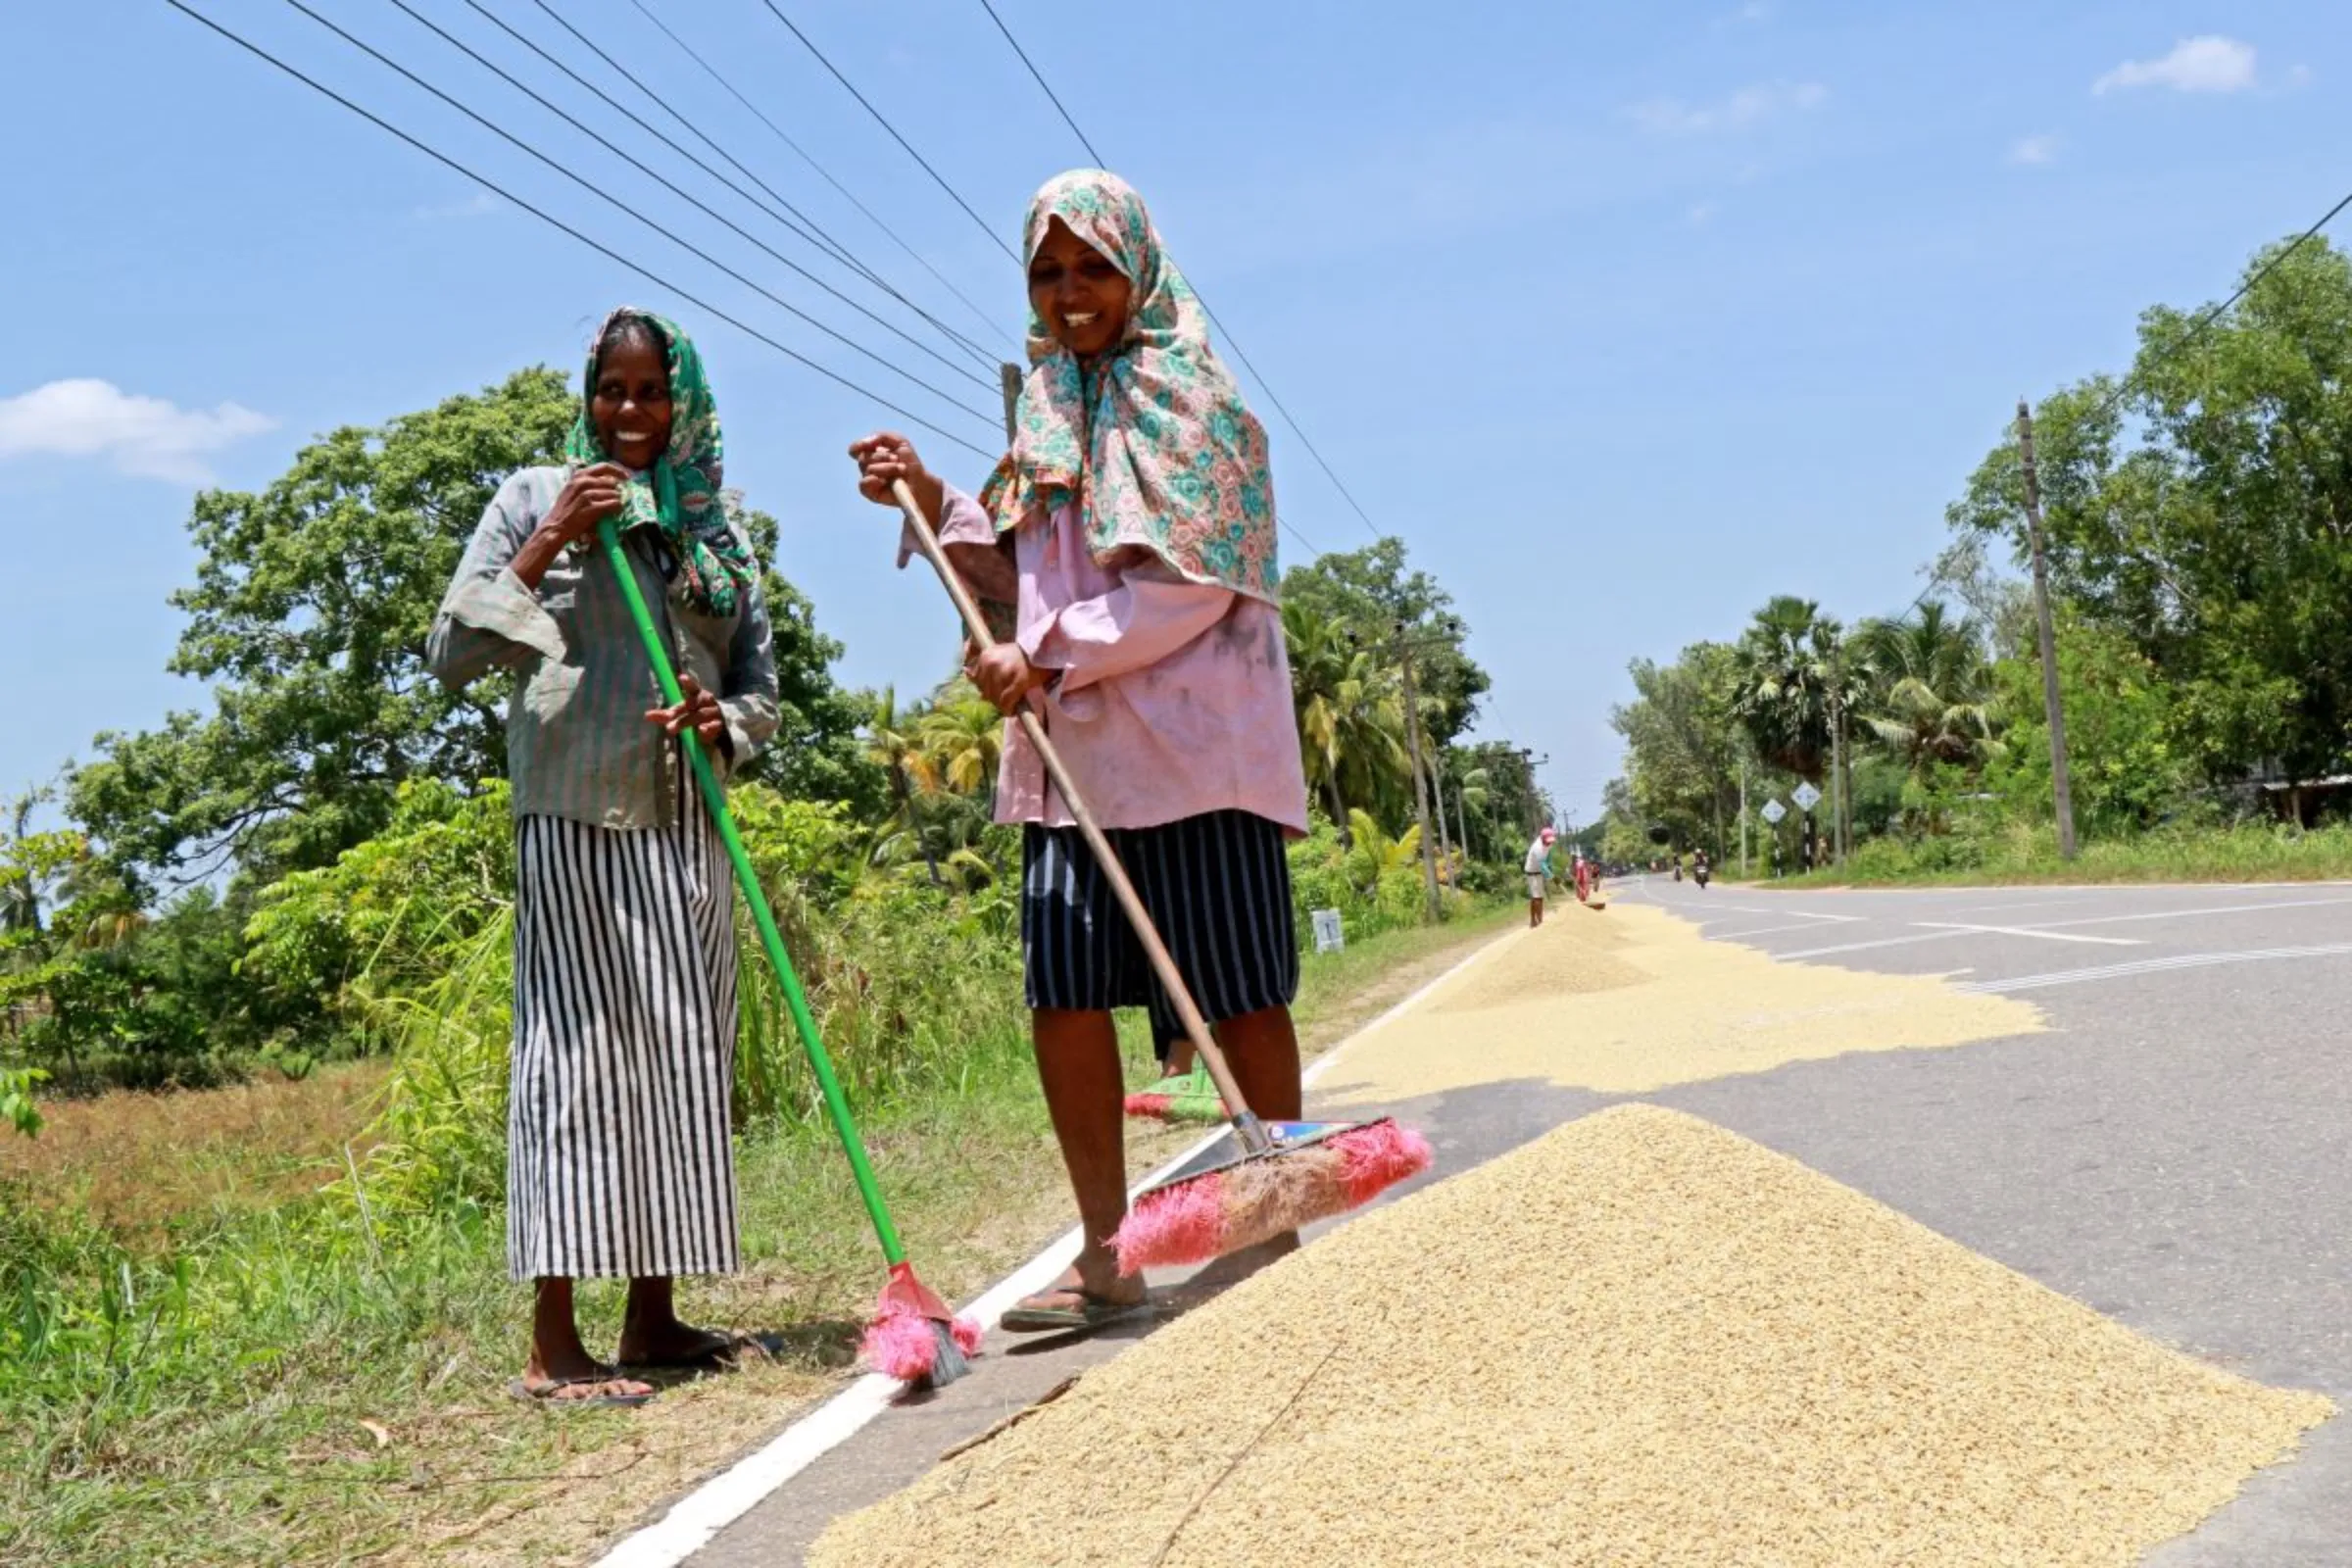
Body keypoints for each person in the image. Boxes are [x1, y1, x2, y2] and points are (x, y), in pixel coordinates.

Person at [850, 170, 1310, 1332]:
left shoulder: (1200, 405)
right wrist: (929, 493)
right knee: (1064, 996)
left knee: (1241, 987)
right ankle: (1109, 1253)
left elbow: (1192, 592)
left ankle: (1269, 1223)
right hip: (1072, 762)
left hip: (1198, 752)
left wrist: (1044, 663)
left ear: (1138, 269)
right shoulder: (1048, 409)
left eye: (1091, 268)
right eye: (1047, 274)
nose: (1069, 295)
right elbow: (1017, 568)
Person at [428, 309, 779, 1406]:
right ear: (586, 396)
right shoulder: (532, 498)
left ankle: (654, 1317)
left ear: (684, 403)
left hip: (685, 818)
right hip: (576, 811)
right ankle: (553, 1343)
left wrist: (723, 723)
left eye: (650, 393)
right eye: (611, 392)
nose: (629, 414)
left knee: (679, 1059)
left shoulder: (713, 534)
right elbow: (452, 650)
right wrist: (552, 545)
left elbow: (764, 690)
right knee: (573, 1067)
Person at [1524, 827, 1557, 927]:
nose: (1549, 844)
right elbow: (1542, 865)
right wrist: (1552, 877)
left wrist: (1552, 871)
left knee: (1538, 897)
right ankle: (1539, 922)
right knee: (1537, 898)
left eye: (1550, 842)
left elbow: (1549, 858)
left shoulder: (1548, 843)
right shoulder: (1537, 847)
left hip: (1539, 872)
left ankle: (1535, 920)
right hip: (1532, 872)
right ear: (1542, 838)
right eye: (1547, 842)